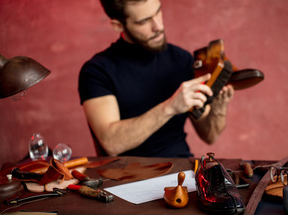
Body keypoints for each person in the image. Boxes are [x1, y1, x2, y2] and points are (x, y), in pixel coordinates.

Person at [78, 0, 234, 158]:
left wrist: (219, 109)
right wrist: (170, 107)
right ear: (118, 25)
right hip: (126, 176)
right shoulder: (97, 70)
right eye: (144, 21)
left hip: (181, 169)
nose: (158, 26)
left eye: (158, 12)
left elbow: (210, 136)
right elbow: (111, 143)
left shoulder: (181, 59)